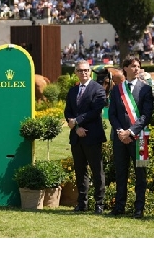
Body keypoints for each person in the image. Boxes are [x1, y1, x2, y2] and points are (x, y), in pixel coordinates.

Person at [107, 56, 153, 218]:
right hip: (120, 138)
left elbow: (146, 115)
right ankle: (120, 207)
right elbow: (112, 114)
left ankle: (139, 208)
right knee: (121, 173)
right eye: (133, 66)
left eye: (138, 66)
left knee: (141, 173)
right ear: (125, 68)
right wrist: (120, 131)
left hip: (141, 138)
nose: (136, 69)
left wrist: (131, 132)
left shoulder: (146, 89)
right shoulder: (116, 89)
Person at [63, 60, 107, 214]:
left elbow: (95, 111)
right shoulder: (72, 91)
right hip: (77, 136)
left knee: (97, 171)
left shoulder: (98, 89)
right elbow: (67, 112)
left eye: (86, 70)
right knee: (80, 171)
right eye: (80, 70)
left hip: (92, 136)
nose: (84, 73)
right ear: (76, 72)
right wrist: (76, 127)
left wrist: (78, 121)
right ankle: (82, 203)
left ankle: (99, 204)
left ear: (90, 72)